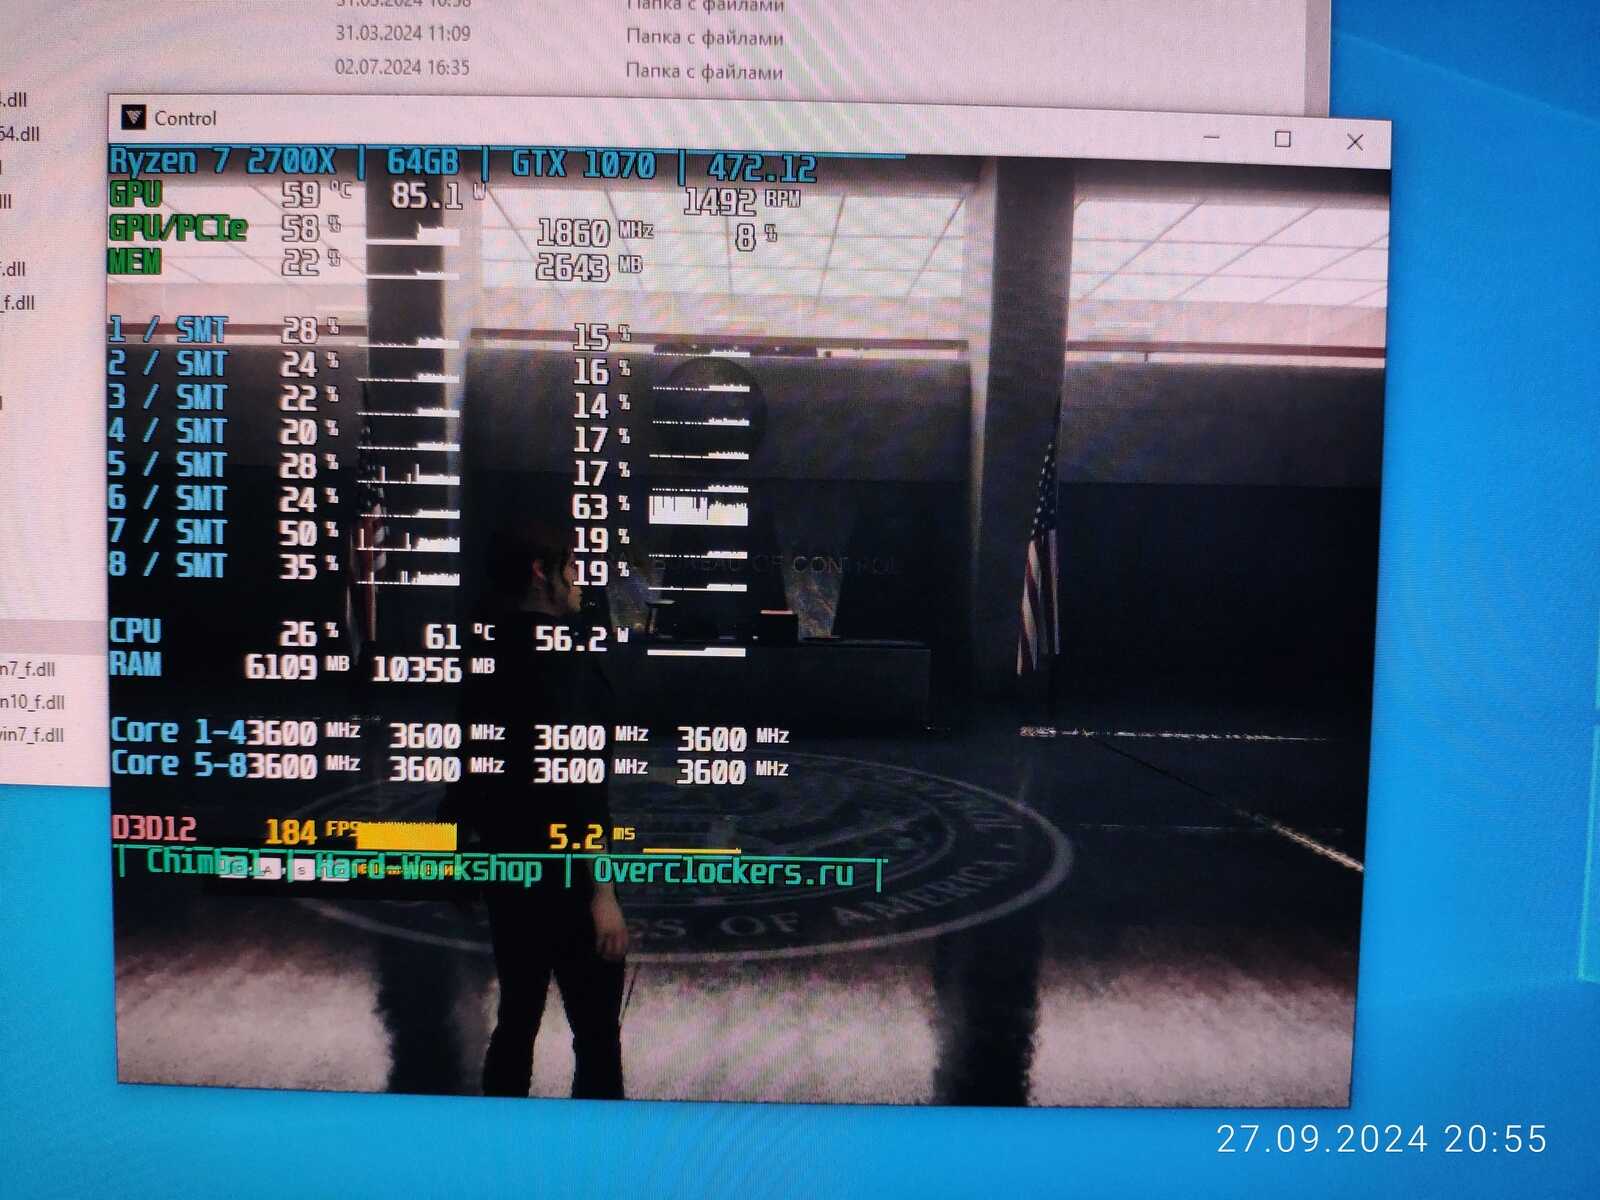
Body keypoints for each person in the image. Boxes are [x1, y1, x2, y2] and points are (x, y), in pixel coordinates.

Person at [452, 522, 629, 1099]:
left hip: (509, 870)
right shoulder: (568, 661)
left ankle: (502, 1146)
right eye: (571, 568)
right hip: (568, 878)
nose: (578, 582)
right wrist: (602, 894)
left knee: (516, 1020)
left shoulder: (485, 650)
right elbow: (580, 791)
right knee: (596, 1035)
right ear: (539, 572)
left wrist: (461, 856)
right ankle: (594, 1150)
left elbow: (469, 767)